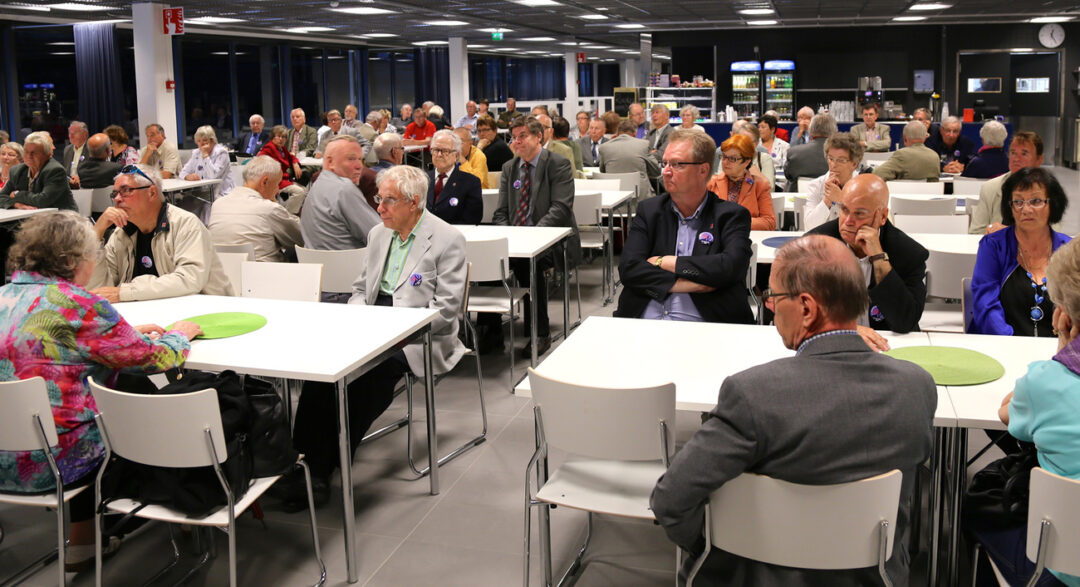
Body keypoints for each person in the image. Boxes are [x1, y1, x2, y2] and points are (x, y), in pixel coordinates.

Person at [651, 234, 936, 586]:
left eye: (773, 296)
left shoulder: (752, 393)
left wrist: (713, 545)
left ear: (806, 308)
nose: (769, 306)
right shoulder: (918, 387)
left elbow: (670, 500)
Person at [0, 210, 202, 572]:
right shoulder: (80, 306)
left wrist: (120, 334)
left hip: (7, 455)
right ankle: (188, 508)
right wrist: (180, 334)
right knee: (135, 399)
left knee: (68, 407)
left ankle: (84, 543)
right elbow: (157, 359)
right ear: (73, 260)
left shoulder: (5, 296)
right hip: (58, 463)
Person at [282, 165, 467, 510]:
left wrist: (396, 333)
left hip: (418, 335)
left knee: (368, 379)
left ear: (414, 202)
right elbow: (359, 289)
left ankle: (322, 468)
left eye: (388, 201)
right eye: (379, 199)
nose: (379, 207)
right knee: (322, 372)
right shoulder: (378, 234)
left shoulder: (447, 238)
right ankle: (301, 458)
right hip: (371, 323)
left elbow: (446, 310)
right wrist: (360, 319)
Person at [984, 237, 1080, 587]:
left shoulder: (1046, 381)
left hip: (1061, 566)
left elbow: (1006, 414)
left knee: (979, 512)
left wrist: (1060, 355)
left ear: (1062, 314)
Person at [616, 129, 753, 325]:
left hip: (705, 324)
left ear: (703, 170)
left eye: (677, 164)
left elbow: (730, 267)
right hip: (644, 321)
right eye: (665, 163)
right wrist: (690, 284)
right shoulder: (650, 210)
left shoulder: (730, 216)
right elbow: (629, 268)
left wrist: (665, 261)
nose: (666, 171)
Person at [484, 117, 577, 357]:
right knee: (487, 259)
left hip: (550, 239)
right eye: (514, 137)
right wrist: (509, 234)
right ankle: (491, 332)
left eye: (522, 136)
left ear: (539, 137)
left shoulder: (558, 164)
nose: (516, 142)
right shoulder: (510, 167)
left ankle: (540, 333)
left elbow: (560, 209)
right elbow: (501, 211)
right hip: (516, 239)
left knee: (530, 266)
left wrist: (531, 236)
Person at [807, 174, 928, 341]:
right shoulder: (815, 245)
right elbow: (798, 311)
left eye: (859, 214)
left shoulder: (908, 254)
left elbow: (904, 322)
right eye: (844, 210)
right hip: (835, 340)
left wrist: (879, 257)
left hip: (888, 343)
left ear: (882, 217)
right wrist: (849, 329)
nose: (848, 221)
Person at [88, 164, 233, 301]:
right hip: (151, 314)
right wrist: (96, 234)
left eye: (126, 190)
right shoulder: (121, 234)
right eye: (114, 193)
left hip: (207, 311)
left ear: (152, 193)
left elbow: (190, 279)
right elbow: (99, 289)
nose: (117, 199)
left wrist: (126, 292)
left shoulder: (185, 224)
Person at [970, 167, 1071, 337]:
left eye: (1036, 201)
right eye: (1018, 202)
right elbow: (985, 305)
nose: (1026, 209)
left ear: (1052, 204)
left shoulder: (1068, 250)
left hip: (1058, 346)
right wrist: (1010, 343)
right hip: (1002, 345)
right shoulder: (994, 246)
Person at [209, 155, 303, 263]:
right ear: (264, 181)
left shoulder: (217, 205)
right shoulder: (269, 209)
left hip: (225, 270)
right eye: (277, 184)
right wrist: (277, 205)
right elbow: (300, 237)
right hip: (265, 271)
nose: (278, 191)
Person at [299, 136, 381, 250]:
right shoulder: (344, 188)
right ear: (330, 162)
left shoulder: (316, 186)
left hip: (315, 260)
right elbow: (380, 235)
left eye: (360, 159)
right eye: (351, 159)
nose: (359, 166)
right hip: (351, 261)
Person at [970, 131, 1045, 235]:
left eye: (1024, 154)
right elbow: (975, 232)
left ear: (1039, 160)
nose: (1016, 159)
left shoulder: (1048, 190)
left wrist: (1009, 233)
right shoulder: (990, 188)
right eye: (1013, 153)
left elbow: (1052, 235)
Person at [706, 134, 776, 230]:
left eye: (732, 159)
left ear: (747, 162)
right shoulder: (710, 183)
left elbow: (769, 222)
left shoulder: (760, 185)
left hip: (749, 236)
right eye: (724, 157)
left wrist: (736, 222)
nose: (725, 162)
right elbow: (700, 218)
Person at [803, 132, 866, 229]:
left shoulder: (864, 187)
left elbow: (865, 226)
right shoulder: (816, 185)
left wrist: (842, 200)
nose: (833, 165)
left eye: (840, 160)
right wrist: (827, 200)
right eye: (831, 159)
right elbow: (809, 226)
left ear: (854, 164)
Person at [0, 131, 76, 211]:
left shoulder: (55, 170)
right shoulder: (17, 170)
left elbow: (42, 201)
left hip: (60, 216)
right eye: (26, 152)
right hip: (29, 215)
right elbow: (1, 197)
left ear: (47, 154)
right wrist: (16, 204)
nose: (29, 156)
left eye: (34, 153)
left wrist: (17, 194)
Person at [426, 129, 482, 224]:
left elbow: (472, 219)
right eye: (436, 150)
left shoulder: (471, 182)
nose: (439, 155)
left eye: (445, 151)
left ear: (456, 155)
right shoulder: (422, 179)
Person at [599, 119, 660, 199]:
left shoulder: (604, 147)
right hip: (641, 198)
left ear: (617, 133)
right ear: (635, 133)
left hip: (614, 199)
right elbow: (656, 171)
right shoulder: (643, 145)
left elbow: (603, 171)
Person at [257, 125, 307, 214]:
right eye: (279, 136)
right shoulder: (269, 148)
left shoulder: (282, 148)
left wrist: (295, 163)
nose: (281, 139)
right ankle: (288, 215)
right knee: (299, 192)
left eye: (283, 137)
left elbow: (291, 157)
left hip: (284, 179)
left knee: (304, 190)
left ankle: (288, 212)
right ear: (273, 137)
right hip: (275, 181)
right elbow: (260, 160)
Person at [872, 121, 940, 181]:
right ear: (925, 137)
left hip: (903, 192)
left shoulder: (902, 154)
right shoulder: (935, 156)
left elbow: (878, 174)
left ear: (904, 138)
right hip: (931, 192)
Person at [784, 112, 835, 190]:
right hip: (831, 194)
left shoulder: (794, 152)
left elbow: (788, 175)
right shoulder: (841, 155)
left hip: (798, 195)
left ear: (810, 130)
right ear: (834, 130)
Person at [181, 125, 235, 195]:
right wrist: (187, 176)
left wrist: (205, 156)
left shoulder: (222, 153)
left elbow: (213, 175)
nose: (201, 144)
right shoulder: (196, 153)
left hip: (221, 193)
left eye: (205, 140)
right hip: (202, 193)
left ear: (212, 140)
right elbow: (183, 172)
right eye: (199, 141)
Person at [62, 121, 90, 186]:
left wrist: (80, 179)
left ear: (85, 135)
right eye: (70, 133)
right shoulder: (67, 149)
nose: (71, 136)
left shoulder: (92, 149)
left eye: (75, 133)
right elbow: (65, 172)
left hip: (85, 185)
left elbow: (94, 171)